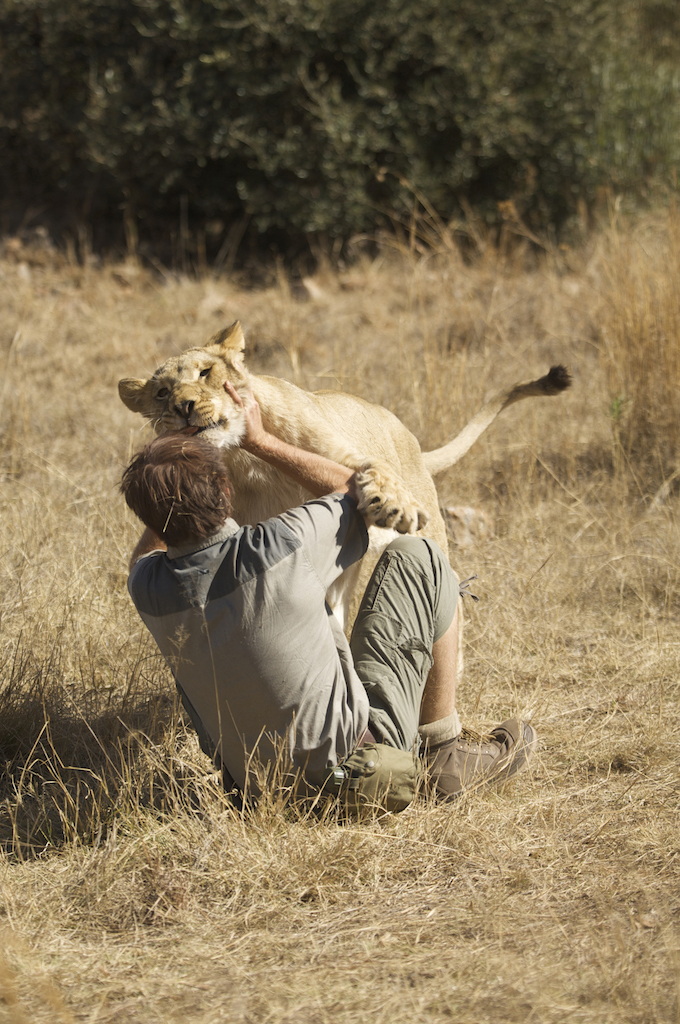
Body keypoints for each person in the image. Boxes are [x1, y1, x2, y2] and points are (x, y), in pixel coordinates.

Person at [121, 380, 537, 807]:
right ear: (226, 491)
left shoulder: (147, 587)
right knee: (420, 554)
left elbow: (142, 555)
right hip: (363, 778)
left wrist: (163, 494)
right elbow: (357, 490)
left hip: (260, 795)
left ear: (149, 517)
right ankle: (443, 754)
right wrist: (261, 441)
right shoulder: (278, 547)